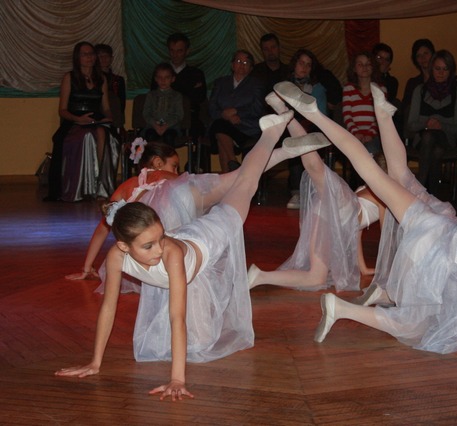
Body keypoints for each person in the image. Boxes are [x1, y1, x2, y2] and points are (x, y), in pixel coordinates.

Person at [273, 80, 457, 362]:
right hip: (436, 251)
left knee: (373, 169)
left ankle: (317, 114)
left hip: (433, 225)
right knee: (415, 326)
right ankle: (343, 308)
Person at [55, 110, 332, 399]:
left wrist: (177, 379)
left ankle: (273, 132)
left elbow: (177, 316)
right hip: (188, 239)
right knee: (241, 182)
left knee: (245, 184)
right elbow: (108, 308)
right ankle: (282, 146)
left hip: (212, 232)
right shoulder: (116, 257)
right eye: (148, 246)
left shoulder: (170, 253)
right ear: (124, 246)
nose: (158, 249)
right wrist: (95, 362)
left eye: (160, 238)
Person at [247, 93, 384, 291]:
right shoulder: (384, 195)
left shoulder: (371, 190)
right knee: (316, 168)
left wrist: (362, 268)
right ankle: (282, 109)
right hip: (343, 207)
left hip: (328, 214)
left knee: (316, 278)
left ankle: (260, 277)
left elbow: (356, 231)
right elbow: (387, 234)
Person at [65, 142, 180, 284]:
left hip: (140, 258)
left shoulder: (127, 185)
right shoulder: (167, 177)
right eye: (174, 166)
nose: (176, 172)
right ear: (158, 163)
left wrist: (87, 267)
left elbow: (103, 228)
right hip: (167, 254)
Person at [45, 41, 119, 202]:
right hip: (74, 120)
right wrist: (78, 119)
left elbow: (106, 107)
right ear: (77, 58)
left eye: (91, 54)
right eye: (85, 54)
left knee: (103, 133)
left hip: (96, 119)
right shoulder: (69, 77)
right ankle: (84, 188)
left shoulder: (101, 78)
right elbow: (62, 110)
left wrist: (108, 117)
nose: (89, 57)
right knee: (86, 136)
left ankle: (101, 186)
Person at [406, 49, 457, 192]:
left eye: (445, 69)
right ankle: (432, 194)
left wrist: (441, 126)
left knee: (432, 140)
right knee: (435, 148)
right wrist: (426, 123)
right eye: (437, 68)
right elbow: (411, 125)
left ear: (451, 71)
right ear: (431, 69)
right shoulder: (420, 90)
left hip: (447, 139)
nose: (441, 73)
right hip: (422, 139)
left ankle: (419, 190)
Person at [283, 49, 329, 209]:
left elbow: (321, 115)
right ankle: (297, 192)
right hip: (287, 127)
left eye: (308, 65)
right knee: (296, 140)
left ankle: (316, 190)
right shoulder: (285, 86)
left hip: (311, 127)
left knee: (305, 140)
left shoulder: (317, 88)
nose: (304, 67)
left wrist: (305, 124)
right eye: (301, 63)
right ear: (294, 64)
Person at [208, 50, 265, 173]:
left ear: (251, 68)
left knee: (220, 131)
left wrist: (236, 112)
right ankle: (233, 162)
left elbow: (257, 109)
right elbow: (212, 108)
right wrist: (224, 115)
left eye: (245, 62)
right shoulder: (220, 82)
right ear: (232, 65)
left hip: (245, 127)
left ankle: (227, 176)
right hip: (222, 123)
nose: (241, 65)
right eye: (238, 61)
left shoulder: (256, 84)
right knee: (220, 126)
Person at [153, 33, 207, 145]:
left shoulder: (196, 73)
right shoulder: (160, 73)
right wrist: (188, 90)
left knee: (201, 131)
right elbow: (155, 96)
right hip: (165, 117)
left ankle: (196, 157)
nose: (175, 55)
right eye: (172, 51)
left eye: (179, 51)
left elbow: (199, 98)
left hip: (190, 117)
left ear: (187, 51)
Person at [342, 51, 384, 156]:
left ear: (373, 67)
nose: (364, 67)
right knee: (354, 151)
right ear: (354, 68)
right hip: (353, 134)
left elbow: (380, 117)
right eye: (360, 64)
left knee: (370, 150)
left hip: (374, 135)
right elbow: (347, 115)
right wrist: (356, 133)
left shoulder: (381, 89)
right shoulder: (348, 89)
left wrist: (370, 134)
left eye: (368, 64)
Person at [143, 63, 184, 147]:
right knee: (150, 136)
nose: (163, 80)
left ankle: (168, 156)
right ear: (155, 79)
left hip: (171, 127)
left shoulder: (177, 96)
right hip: (152, 127)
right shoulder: (151, 95)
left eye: (167, 77)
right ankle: (152, 155)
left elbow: (179, 115)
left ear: (173, 79)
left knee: (169, 137)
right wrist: (155, 125)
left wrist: (166, 126)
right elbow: (146, 113)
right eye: (160, 77)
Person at [401, 39, 435, 124]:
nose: (423, 58)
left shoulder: (441, 79)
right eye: (419, 55)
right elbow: (405, 107)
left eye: (426, 53)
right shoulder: (413, 83)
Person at [95, 43, 126, 116]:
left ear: (111, 58)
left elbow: (122, 103)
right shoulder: (91, 78)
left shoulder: (119, 79)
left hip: (114, 113)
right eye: (100, 56)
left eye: (106, 56)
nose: (103, 59)